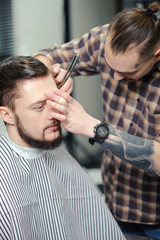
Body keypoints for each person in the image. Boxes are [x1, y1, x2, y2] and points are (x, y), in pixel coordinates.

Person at [33, 2, 160, 239]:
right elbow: (49, 55)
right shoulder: (104, 40)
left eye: (127, 73)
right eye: (109, 66)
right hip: (114, 203)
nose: (115, 76)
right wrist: (47, 76)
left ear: (156, 55)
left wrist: (92, 127)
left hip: (155, 214)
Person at [0, 56, 125, 240]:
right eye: (40, 106)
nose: (56, 114)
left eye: (56, 100)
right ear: (7, 115)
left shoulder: (61, 157)